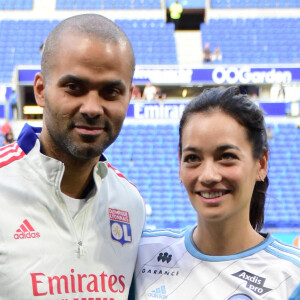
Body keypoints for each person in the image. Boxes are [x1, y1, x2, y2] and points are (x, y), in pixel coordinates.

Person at [0, 14, 145, 299]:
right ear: (40, 91)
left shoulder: (130, 203)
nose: (92, 108)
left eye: (111, 92)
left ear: (129, 96)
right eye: (74, 87)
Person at [132, 86, 300, 299]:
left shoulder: (292, 275)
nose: (208, 175)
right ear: (179, 165)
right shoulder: (144, 254)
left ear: (261, 164)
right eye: (193, 158)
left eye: (227, 156)